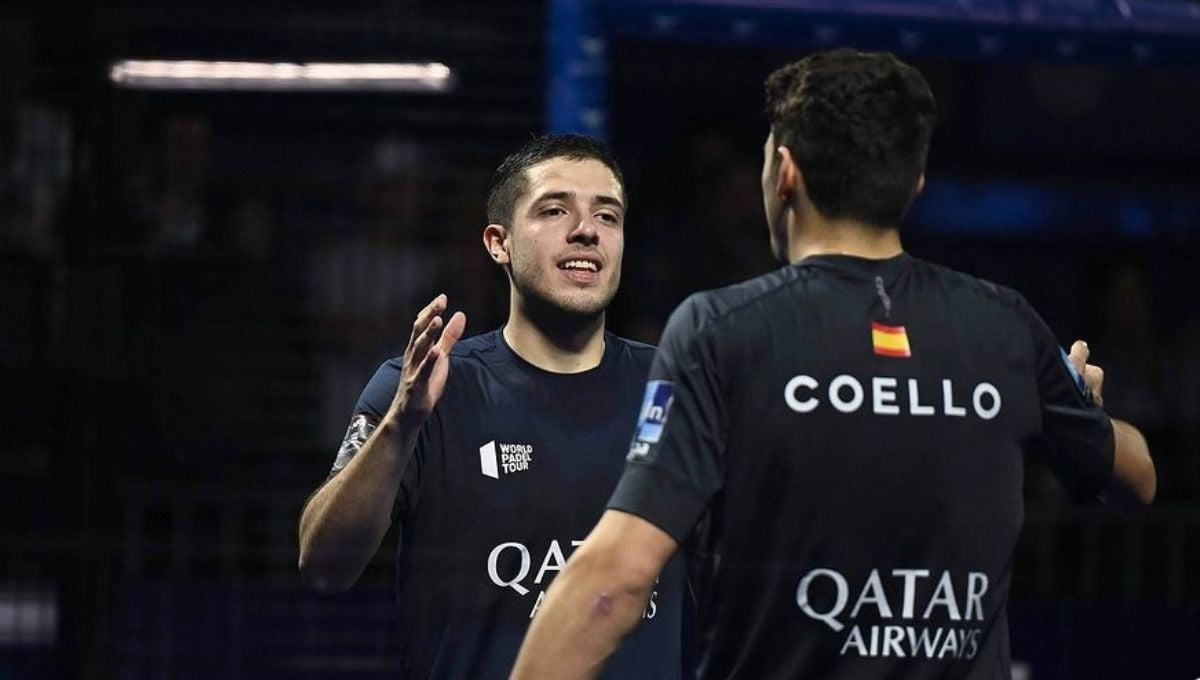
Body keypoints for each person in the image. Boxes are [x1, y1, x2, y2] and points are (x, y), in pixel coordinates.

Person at [511, 48, 1156, 679]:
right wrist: (1081, 408)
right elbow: (1138, 476)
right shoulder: (1005, 327)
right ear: (915, 181)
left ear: (785, 172)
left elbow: (617, 580)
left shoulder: (719, 331)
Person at [297, 134, 684, 679]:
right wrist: (399, 427)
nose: (587, 230)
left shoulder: (675, 391)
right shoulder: (424, 387)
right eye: (554, 210)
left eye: (608, 215)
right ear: (499, 243)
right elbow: (324, 565)